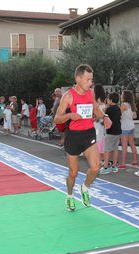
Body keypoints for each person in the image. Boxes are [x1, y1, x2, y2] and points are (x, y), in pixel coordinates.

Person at [54, 64, 112, 211]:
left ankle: (84, 188)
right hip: (73, 136)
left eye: (91, 80)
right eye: (87, 80)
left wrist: (105, 117)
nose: (90, 83)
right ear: (78, 79)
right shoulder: (68, 96)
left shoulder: (91, 93)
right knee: (73, 173)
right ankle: (69, 195)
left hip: (89, 134)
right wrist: (69, 115)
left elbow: (95, 109)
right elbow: (57, 118)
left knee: (96, 167)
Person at [99, 92, 122, 174]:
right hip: (118, 130)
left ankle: (105, 167)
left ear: (111, 100)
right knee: (115, 148)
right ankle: (114, 166)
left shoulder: (109, 109)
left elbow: (102, 113)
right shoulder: (118, 108)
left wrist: (106, 107)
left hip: (111, 131)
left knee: (107, 149)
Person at [118, 90, 138, 169]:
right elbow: (135, 116)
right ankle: (135, 161)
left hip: (124, 126)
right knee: (132, 144)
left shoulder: (123, 105)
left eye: (122, 94)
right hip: (131, 126)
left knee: (124, 146)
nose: (121, 96)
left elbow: (118, 114)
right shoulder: (132, 105)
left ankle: (123, 163)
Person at [93, 84, 106, 165]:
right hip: (102, 121)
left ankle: (100, 157)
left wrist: (95, 116)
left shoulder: (97, 100)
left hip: (97, 122)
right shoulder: (105, 100)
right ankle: (103, 157)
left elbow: (95, 110)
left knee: (98, 138)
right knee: (102, 138)